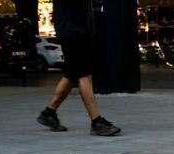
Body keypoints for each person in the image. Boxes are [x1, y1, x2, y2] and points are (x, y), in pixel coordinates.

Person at [37, 0, 121, 136]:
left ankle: (49, 113)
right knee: (84, 74)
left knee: (71, 74)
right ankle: (96, 121)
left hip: (78, 31)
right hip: (73, 32)